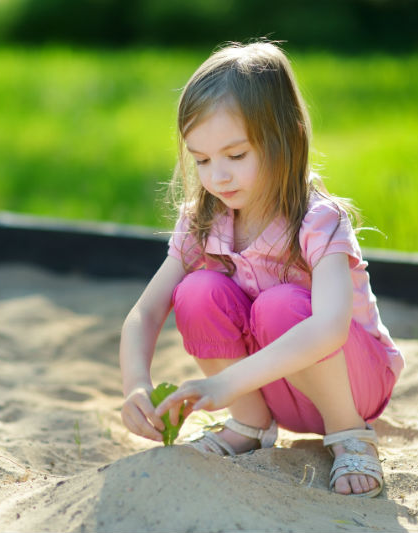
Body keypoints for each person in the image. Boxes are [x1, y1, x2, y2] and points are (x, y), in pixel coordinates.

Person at [119, 41, 403, 498]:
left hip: (353, 383)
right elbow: (146, 312)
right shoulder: (203, 220)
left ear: (284, 138)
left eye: (235, 155)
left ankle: (350, 434)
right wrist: (135, 384)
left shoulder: (317, 219)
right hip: (272, 389)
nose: (218, 177)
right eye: (202, 160)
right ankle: (249, 425)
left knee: (280, 305)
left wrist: (223, 382)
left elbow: (330, 328)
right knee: (196, 291)